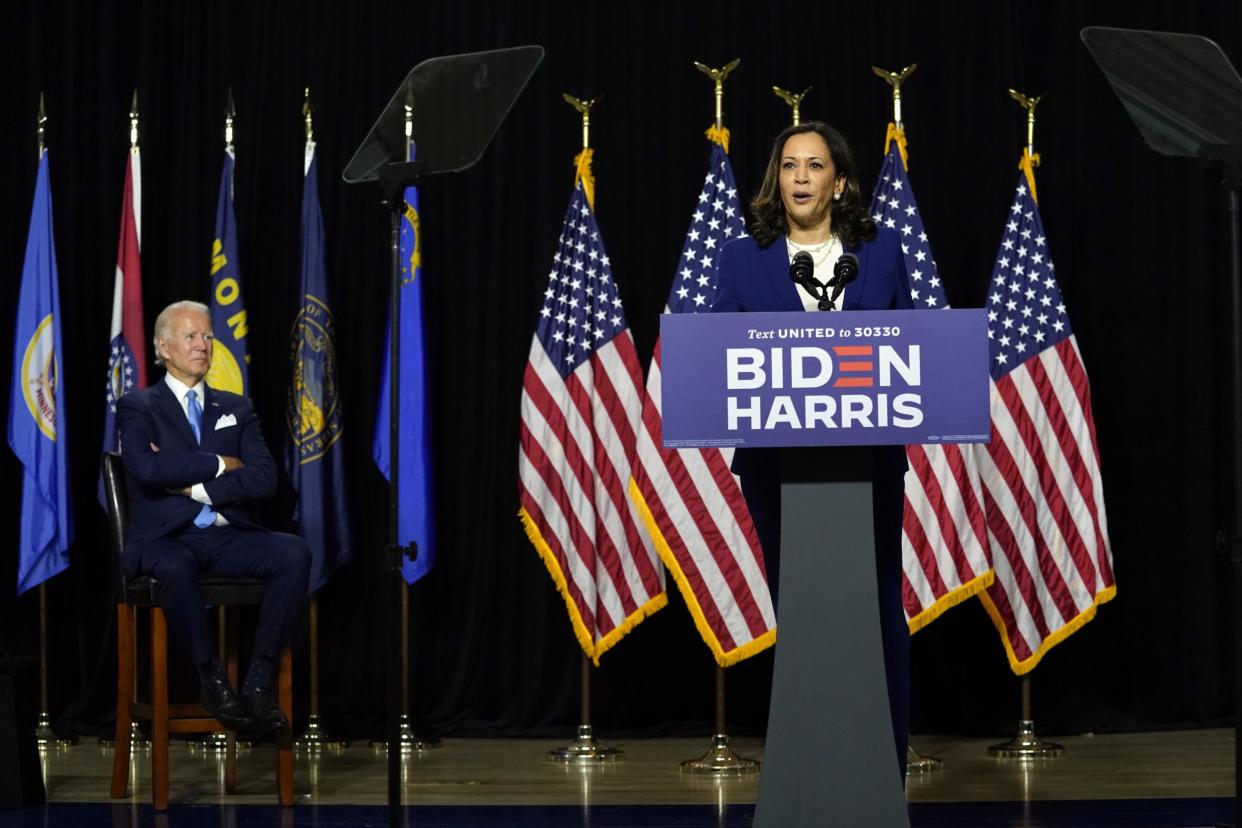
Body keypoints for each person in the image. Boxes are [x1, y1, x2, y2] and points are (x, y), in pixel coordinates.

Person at [711, 121, 913, 775]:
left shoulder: (879, 256)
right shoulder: (742, 259)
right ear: (778, 179)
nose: (800, 177)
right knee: (798, 604)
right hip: (776, 466)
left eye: (815, 166)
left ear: (840, 182)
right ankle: (810, 764)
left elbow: (912, 350)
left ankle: (884, 759)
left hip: (869, 463)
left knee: (877, 600)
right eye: (790, 165)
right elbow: (715, 356)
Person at [117, 300, 311, 731]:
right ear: (164, 347)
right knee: (176, 565)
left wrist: (189, 482)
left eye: (207, 336)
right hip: (166, 539)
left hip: (228, 536)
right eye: (191, 336)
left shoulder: (236, 407)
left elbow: (264, 479)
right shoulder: (138, 406)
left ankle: (258, 681)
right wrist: (222, 463)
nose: (203, 345)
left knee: (293, 553)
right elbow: (147, 470)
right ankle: (212, 679)